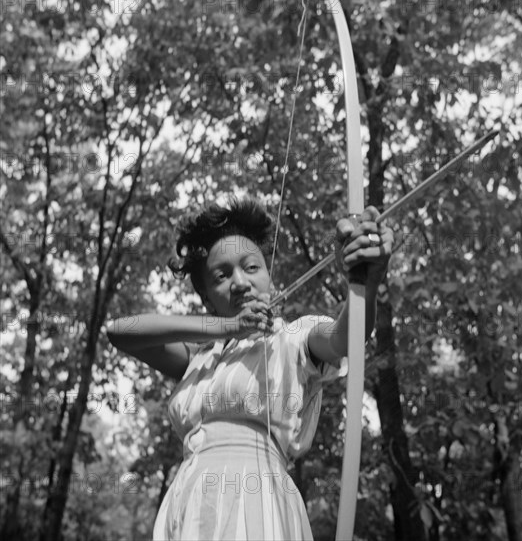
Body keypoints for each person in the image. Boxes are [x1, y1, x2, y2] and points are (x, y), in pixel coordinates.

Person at [106, 195, 393, 540]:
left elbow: (344, 338)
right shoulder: (199, 357)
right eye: (222, 275)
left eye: (252, 267)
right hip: (190, 500)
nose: (240, 282)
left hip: (258, 494)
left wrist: (364, 282)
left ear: (268, 278)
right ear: (208, 298)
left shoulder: (292, 337)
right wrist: (225, 328)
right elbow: (120, 331)